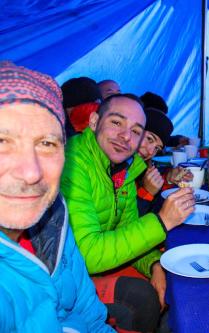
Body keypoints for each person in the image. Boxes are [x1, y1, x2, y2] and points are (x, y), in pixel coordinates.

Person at [61, 93, 195, 332]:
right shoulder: (73, 164)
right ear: (93, 122)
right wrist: (162, 221)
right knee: (142, 297)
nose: (125, 136)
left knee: (172, 276)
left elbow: (128, 229)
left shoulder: (124, 170)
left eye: (135, 131)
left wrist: (155, 263)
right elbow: (88, 255)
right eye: (116, 122)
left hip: (91, 265)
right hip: (64, 279)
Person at [0, 61, 112, 332]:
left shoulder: (54, 220)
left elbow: (93, 318)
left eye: (47, 143)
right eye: (2, 142)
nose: (31, 172)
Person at [137, 107, 193, 216]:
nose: (150, 151)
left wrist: (168, 179)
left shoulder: (140, 167)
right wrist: (146, 193)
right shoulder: (116, 167)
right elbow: (127, 222)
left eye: (157, 148)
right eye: (149, 139)